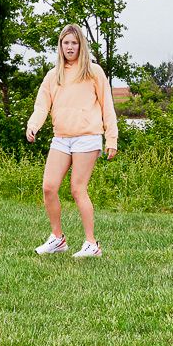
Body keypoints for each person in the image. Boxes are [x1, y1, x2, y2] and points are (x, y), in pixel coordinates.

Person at [25, 24, 119, 258]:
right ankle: (57, 238)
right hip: (61, 138)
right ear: (60, 46)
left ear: (81, 45)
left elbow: (107, 105)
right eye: (65, 43)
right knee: (49, 187)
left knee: (78, 189)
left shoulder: (93, 71)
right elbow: (41, 105)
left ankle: (92, 244)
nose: (69, 47)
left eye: (74, 43)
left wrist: (112, 138)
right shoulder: (53, 75)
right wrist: (33, 125)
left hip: (87, 138)